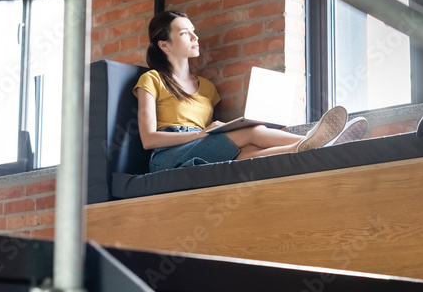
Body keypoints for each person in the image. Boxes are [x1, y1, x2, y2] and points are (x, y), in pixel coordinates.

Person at [135, 10, 367, 173]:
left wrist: (217, 130)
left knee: (246, 151)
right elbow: (148, 139)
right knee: (254, 131)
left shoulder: (207, 87)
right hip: (167, 157)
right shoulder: (152, 79)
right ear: (164, 45)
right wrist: (200, 134)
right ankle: (315, 142)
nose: (196, 37)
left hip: (201, 144)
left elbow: (213, 136)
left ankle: (304, 148)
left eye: (193, 31)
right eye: (185, 33)